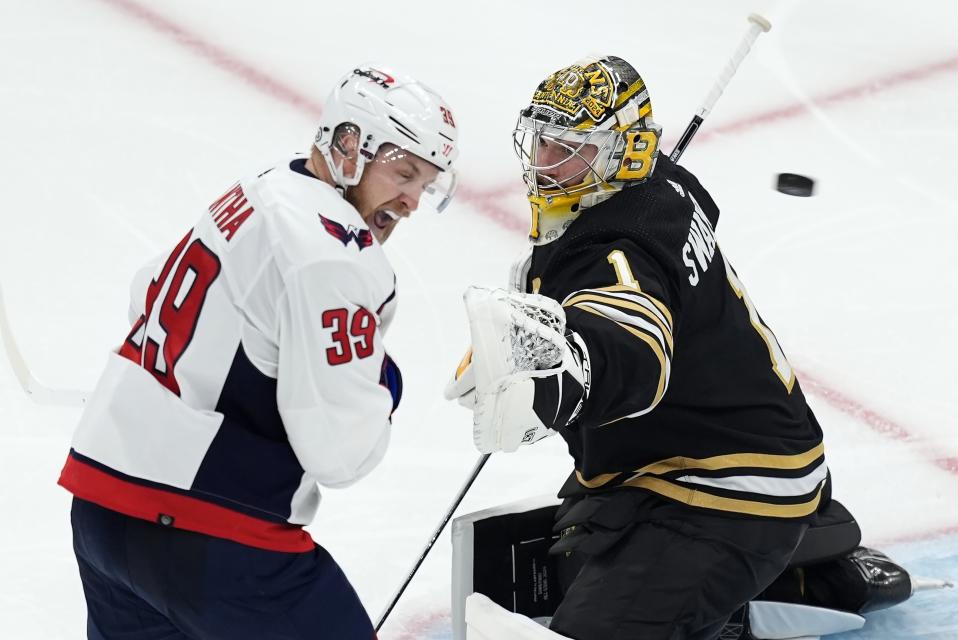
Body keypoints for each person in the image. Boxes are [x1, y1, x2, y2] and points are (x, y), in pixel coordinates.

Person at [58, 64, 458, 640]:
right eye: (404, 173)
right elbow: (340, 453)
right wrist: (384, 380)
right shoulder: (334, 254)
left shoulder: (261, 188)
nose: (414, 200)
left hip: (101, 509)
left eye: (427, 182)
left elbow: (146, 293)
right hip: (212, 538)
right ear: (349, 146)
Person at [445, 55, 833, 639]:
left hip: (726, 491)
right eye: (543, 141)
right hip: (732, 452)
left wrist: (559, 377)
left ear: (623, 153)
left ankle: (740, 600)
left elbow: (633, 347)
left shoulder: (619, 251)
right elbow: (688, 207)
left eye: (570, 149)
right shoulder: (665, 188)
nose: (545, 163)